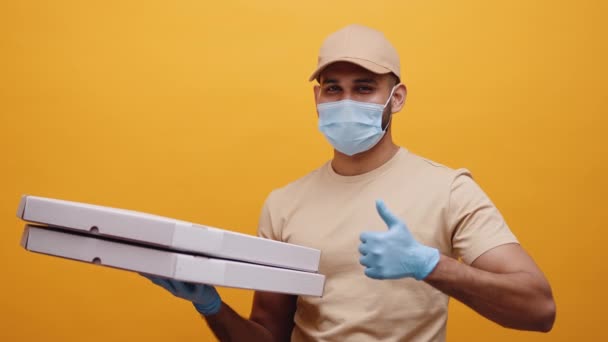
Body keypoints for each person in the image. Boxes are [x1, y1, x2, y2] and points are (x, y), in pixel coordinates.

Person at [142, 24, 556, 341]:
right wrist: (211, 306)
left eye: (363, 88)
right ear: (316, 99)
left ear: (396, 98)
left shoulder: (448, 189)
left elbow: (538, 309)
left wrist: (431, 265)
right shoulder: (284, 203)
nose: (345, 102)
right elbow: (268, 335)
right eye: (332, 89)